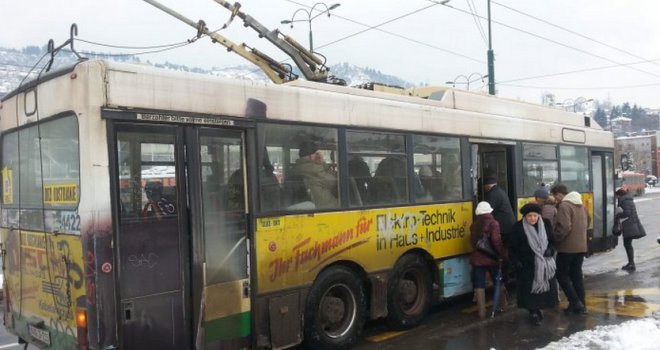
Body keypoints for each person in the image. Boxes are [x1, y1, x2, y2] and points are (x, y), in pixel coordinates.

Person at [508, 203, 558, 326]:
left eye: (535, 216)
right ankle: (533, 312)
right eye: (530, 216)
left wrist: (550, 250)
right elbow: (512, 248)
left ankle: (538, 308)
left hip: (544, 264)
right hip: (526, 265)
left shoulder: (545, 224)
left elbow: (552, 242)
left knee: (541, 292)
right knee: (529, 291)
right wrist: (516, 262)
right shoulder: (518, 227)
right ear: (525, 216)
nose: (532, 219)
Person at [550, 184, 588, 315]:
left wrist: (555, 238)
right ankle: (581, 305)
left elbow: (564, 227)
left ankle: (575, 302)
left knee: (561, 275)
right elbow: (587, 221)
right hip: (581, 247)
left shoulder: (565, 205)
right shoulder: (581, 204)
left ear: (559, 193)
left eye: (555, 196)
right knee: (576, 276)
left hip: (567, 248)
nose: (555, 199)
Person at [469, 201, 505, 319]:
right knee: (497, 281)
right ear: (490, 211)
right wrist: (501, 254)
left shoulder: (474, 225)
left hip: (477, 259)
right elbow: (496, 240)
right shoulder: (493, 223)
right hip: (492, 259)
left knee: (479, 285)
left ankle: (482, 313)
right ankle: (502, 305)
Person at [290, 141, 338, 208]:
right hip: (326, 206)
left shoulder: (295, 168)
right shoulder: (315, 169)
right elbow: (333, 181)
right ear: (311, 155)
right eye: (316, 153)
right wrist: (323, 162)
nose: (317, 155)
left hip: (312, 203)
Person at [614, 187, 646, 271]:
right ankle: (631, 263)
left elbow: (627, 213)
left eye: (617, 196)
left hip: (629, 225)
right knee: (628, 244)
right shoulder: (627, 199)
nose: (616, 198)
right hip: (630, 225)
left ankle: (631, 264)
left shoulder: (624, 201)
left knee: (627, 245)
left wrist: (617, 215)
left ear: (619, 194)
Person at [483, 177, 516, 244]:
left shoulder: (493, 194)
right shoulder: (499, 191)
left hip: (503, 227)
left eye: (485, 187)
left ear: (488, 186)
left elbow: (488, 211)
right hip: (508, 225)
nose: (485, 190)